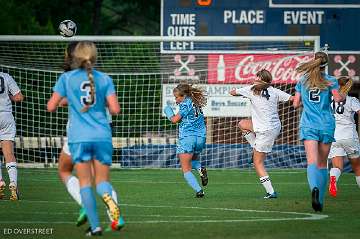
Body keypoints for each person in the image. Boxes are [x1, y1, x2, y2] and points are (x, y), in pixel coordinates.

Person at [47, 41, 124, 236]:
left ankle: (95, 227)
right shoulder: (105, 78)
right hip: (102, 136)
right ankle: (112, 207)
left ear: (75, 58)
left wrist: (72, 100)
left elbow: (51, 106)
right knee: (102, 181)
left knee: (85, 183)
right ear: (94, 57)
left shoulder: (67, 78)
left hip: (79, 137)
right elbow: (115, 110)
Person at [293, 51, 344, 212]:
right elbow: (337, 99)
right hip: (327, 124)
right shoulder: (331, 81)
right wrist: (342, 93)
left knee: (312, 163)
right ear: (326, 64)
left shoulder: (303, 80)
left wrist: (306, 104)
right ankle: (320, 201)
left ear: (313, 62)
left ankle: (314, 189)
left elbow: (295, 104)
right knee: (323, 164)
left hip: (309, 124)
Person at [230, 69, 292, 199]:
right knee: (242, 124)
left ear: (259, 78)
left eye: (256, 77)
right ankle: (255, 146)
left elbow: (232, 92)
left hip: (265, 132)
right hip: (275, 128)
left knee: (257, 163)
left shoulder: (251, 89)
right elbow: (292, 99)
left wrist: (241, 93)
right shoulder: (275, 91)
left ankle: (271, 192)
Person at [164, 84, 208, 198]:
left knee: (185, 168)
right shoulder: (196, 103)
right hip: (201, 138)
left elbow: (175, 120)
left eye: (177, 97)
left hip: (188, 138)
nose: (176, 100)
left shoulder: (185, 104)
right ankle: (200, 168)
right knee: (192, 161)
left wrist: (168, 111)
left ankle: (199, 191)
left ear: (183, 96)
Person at [328, 76, 360, 197]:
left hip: (334, 136)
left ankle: (333, 179)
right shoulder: (352, 100)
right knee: (357, 168)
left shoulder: (331, 99)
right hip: (349, 136)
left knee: (337, 166)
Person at [0, 72, 24, 201]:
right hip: (6, 117)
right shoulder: (6, 77)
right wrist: (8, 96)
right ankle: (13, 184)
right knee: (9, 153)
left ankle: (0, 183)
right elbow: (19, 97)